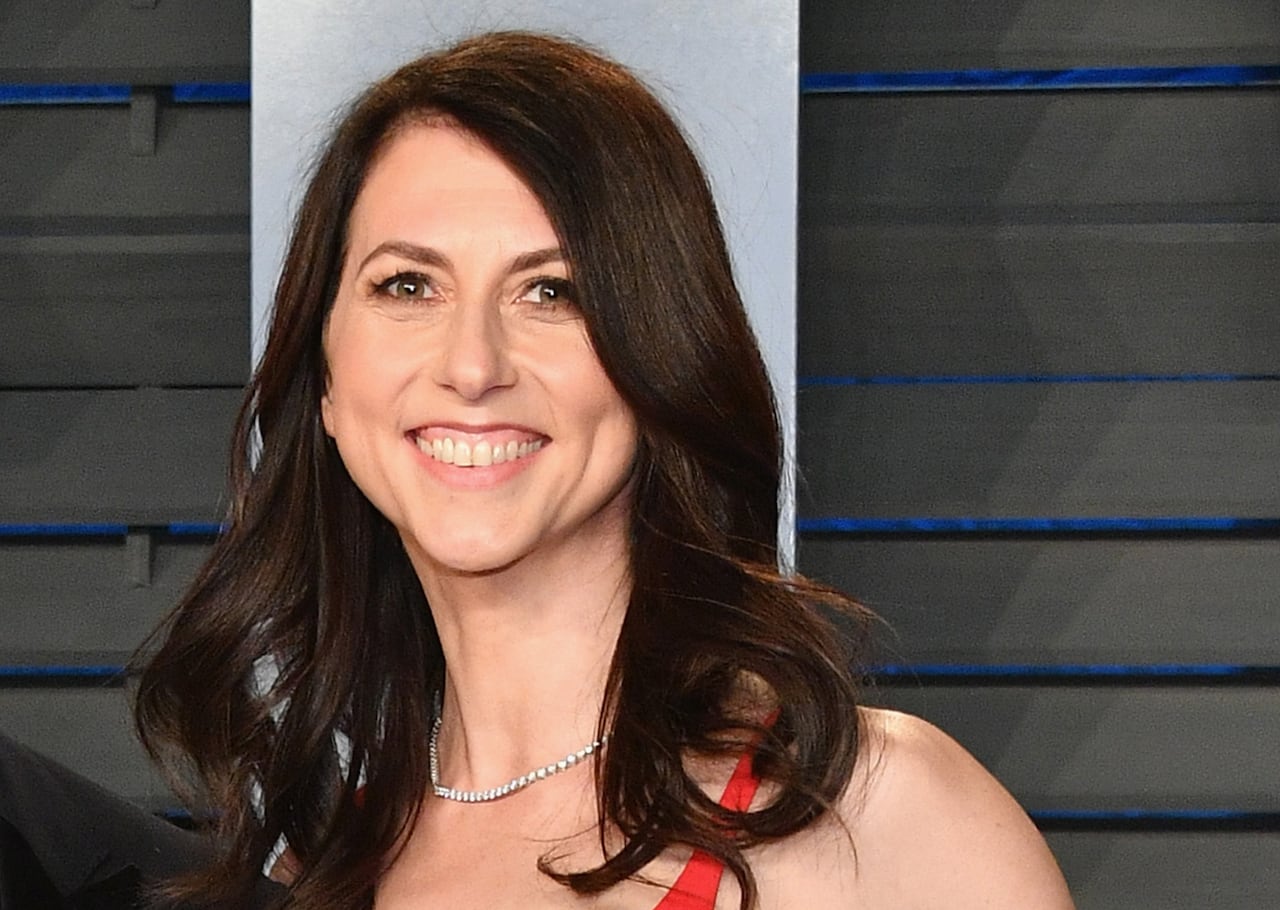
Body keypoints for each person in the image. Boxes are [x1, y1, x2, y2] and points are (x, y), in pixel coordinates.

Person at [133, 30, 1074, 910]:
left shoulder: (882, 819)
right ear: (328, 380)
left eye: (552, 292)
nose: (472, 365)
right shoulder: (318, 868)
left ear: (657, 357)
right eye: (407, 286)